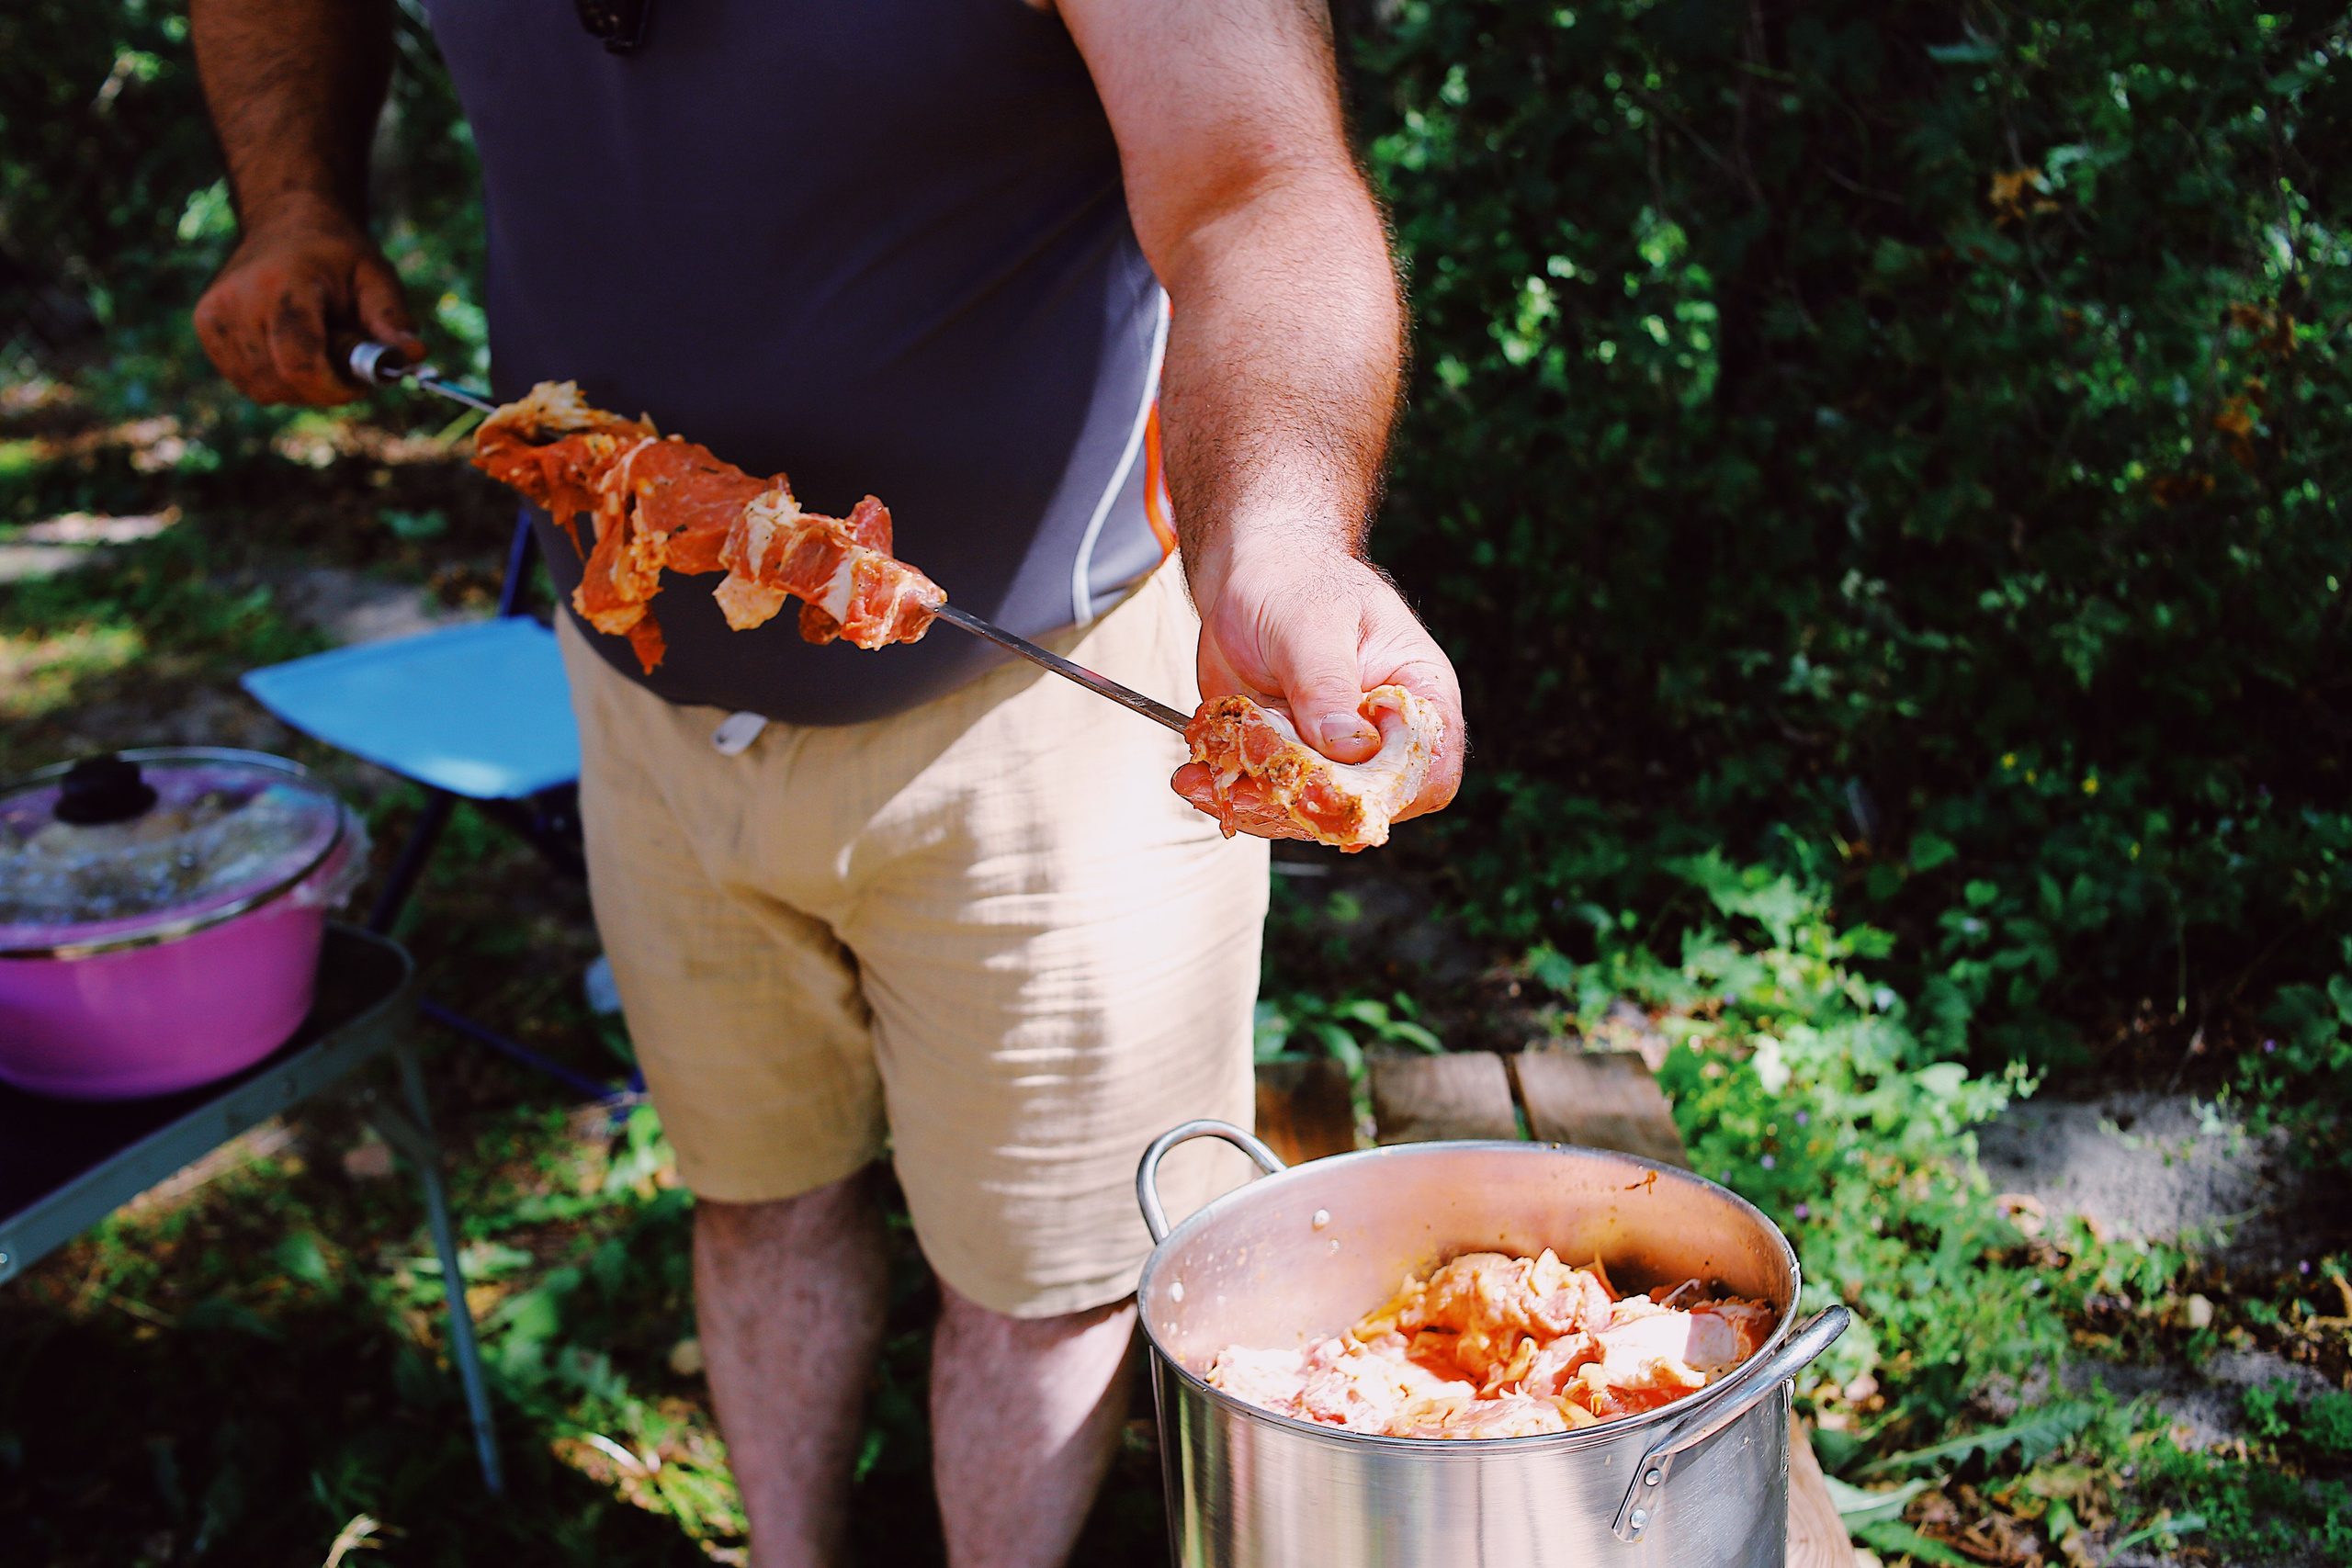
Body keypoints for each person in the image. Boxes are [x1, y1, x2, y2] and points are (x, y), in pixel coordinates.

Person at [187, 0, 1464, 1562]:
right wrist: (295, 199)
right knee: (754, 1196)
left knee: (1040, 1282)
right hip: (642, 692)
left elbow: (1254, 187)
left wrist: (1277, 533)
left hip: (1042, 707)